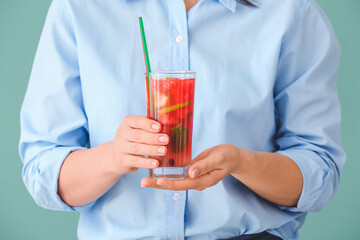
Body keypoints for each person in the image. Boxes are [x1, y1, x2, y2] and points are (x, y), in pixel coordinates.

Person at [19, 0, 345, 239]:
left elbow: (320, 173)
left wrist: (241, 162)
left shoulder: (291, 12)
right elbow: (43, 171)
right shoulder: (78, 8)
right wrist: (114, 156)